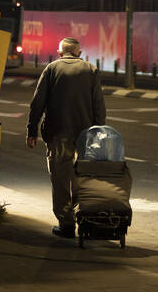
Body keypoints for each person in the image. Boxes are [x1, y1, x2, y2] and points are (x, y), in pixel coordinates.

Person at [26, 37, 107, 237]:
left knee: (60, 179)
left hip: (58, 133)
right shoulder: (90, 69)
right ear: (79, 54)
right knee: (83, 177)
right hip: (86, 135)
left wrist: (32, 130)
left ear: (60, 53)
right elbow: (99, 104)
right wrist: (99, 132)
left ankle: (66, 223)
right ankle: (84, 218)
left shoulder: (52, 69)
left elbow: (37, 103)